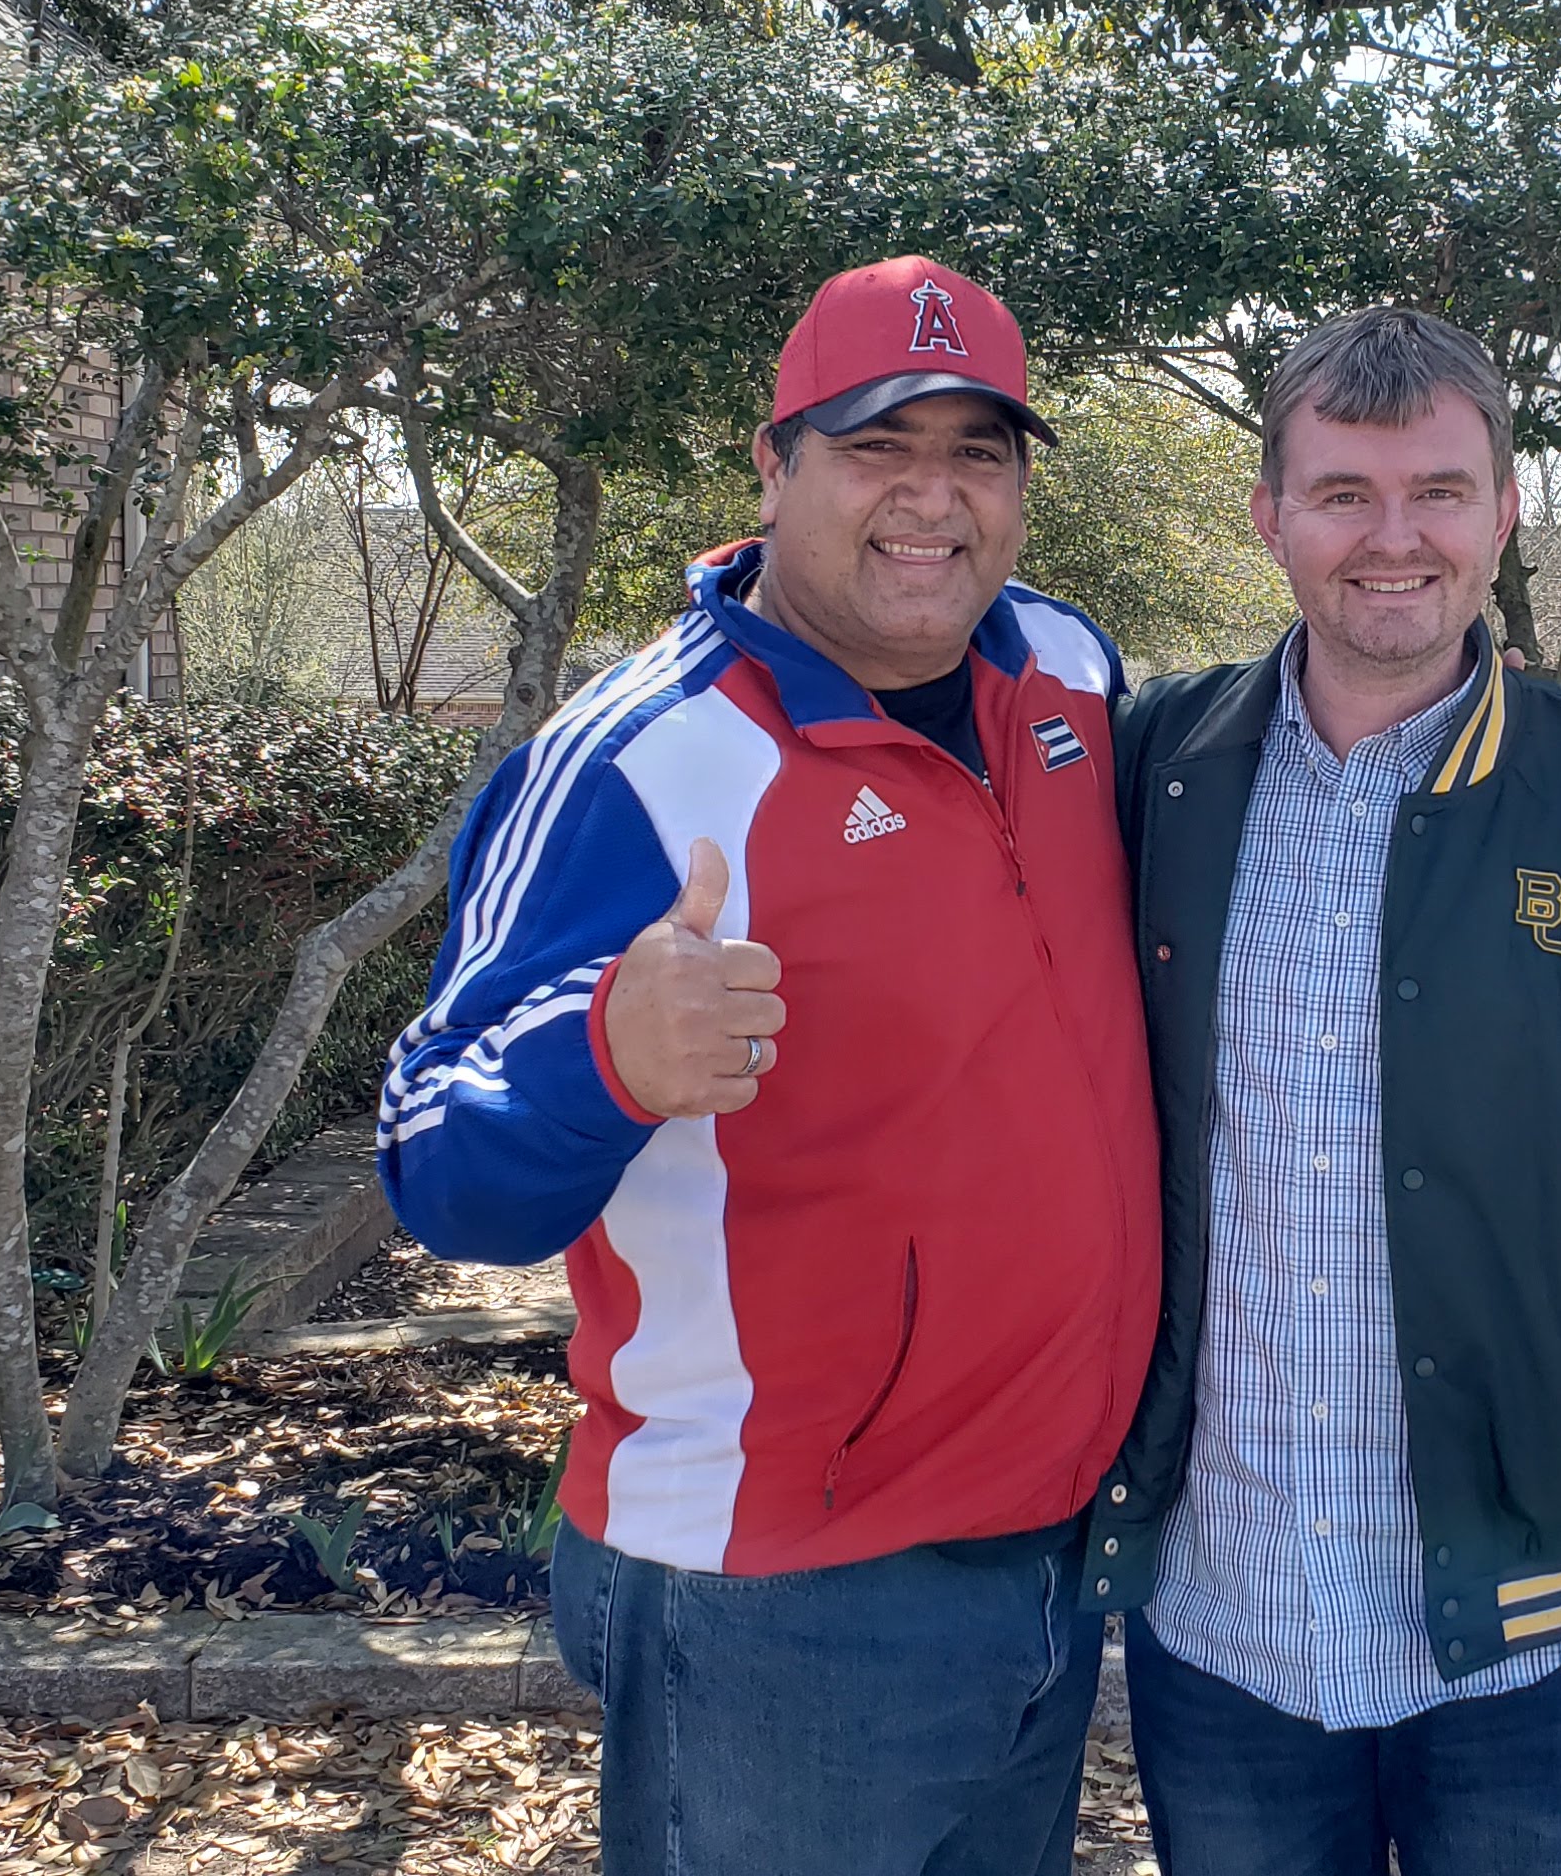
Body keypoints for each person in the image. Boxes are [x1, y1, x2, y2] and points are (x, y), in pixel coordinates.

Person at [377, 257, 1155, 1876]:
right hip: (777, 1591)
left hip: (1049, 1549)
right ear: (774, 466)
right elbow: (434, 1160)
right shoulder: (641, 760)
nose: (931, 497)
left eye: (978, 452)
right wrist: (602, 1055)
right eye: (878, 448)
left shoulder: (1071, 674)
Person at [1085, 306, 1561, 1876]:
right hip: (1222, 1626)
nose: (1396, 538)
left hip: (1541, 1639)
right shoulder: (1150, 775)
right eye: (1343, 493)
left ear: (1505, 511)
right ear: (1271, 515)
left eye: (1438, 491)